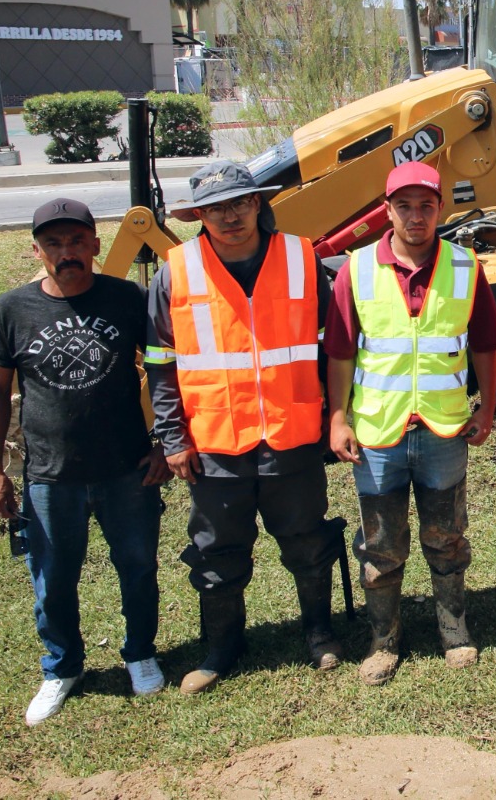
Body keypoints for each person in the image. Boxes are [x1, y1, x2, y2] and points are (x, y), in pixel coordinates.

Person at [145, 161, 343, 694]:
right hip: (214, 442)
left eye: (239, 203)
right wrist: (171, 437)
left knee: (307, 540)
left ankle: (319, 632)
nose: (229, 216)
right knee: (217, 552)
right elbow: (161, 364)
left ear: (258, 203)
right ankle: (222, 647)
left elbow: (333, 349)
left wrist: (336, 416)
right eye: (215, 208)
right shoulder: (176, 271)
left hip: (293, 434)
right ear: (199, 216)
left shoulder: (303, 260)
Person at [0, 198, 170, 725]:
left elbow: (163, 371)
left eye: (76, 242)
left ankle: (140, 654)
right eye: (54, 244)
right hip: (49, 474)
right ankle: (61, 667)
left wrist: (162, 441)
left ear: (95, 245)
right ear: (37, 250)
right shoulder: (11, 310)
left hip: (127, 468)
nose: (67, 253)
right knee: (53, 579)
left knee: (137, 569)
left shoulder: (128, 299)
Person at [324, 161, 496, 685]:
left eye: (426, 205)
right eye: (404, 206)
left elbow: (486, 345)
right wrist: (337, 417)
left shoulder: (466, 267)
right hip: (379, 433)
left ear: (440, 208)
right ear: (387, 211)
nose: (416, 216)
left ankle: (454, 629)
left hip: (445, 429)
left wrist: (487, 407)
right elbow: (339, 354)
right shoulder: (355, 270)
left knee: (446, 537)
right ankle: (384, 641)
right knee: (380, 542)